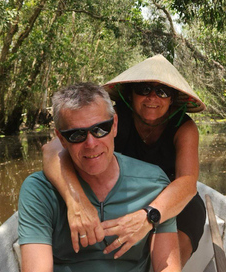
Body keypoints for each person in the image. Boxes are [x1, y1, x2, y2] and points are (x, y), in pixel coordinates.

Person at [42, 54, 206, 267]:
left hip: (171, 198)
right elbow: (51, 150)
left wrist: (148, 216)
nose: (152, 98)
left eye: (162, 92)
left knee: (184, 231)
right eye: (144, 89)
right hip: (122, 192)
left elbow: (187, 182)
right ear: (131, 94)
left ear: (172, 99)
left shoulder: (184, 127)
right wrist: (77, 201)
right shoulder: (113, 119)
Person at [18, 82, 181, 272]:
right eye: (76, 134)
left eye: (100, 129)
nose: (90, 143)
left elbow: (167, 267)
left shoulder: (154, 183)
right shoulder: (39, 191)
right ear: (61, 138)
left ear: (115, 126)